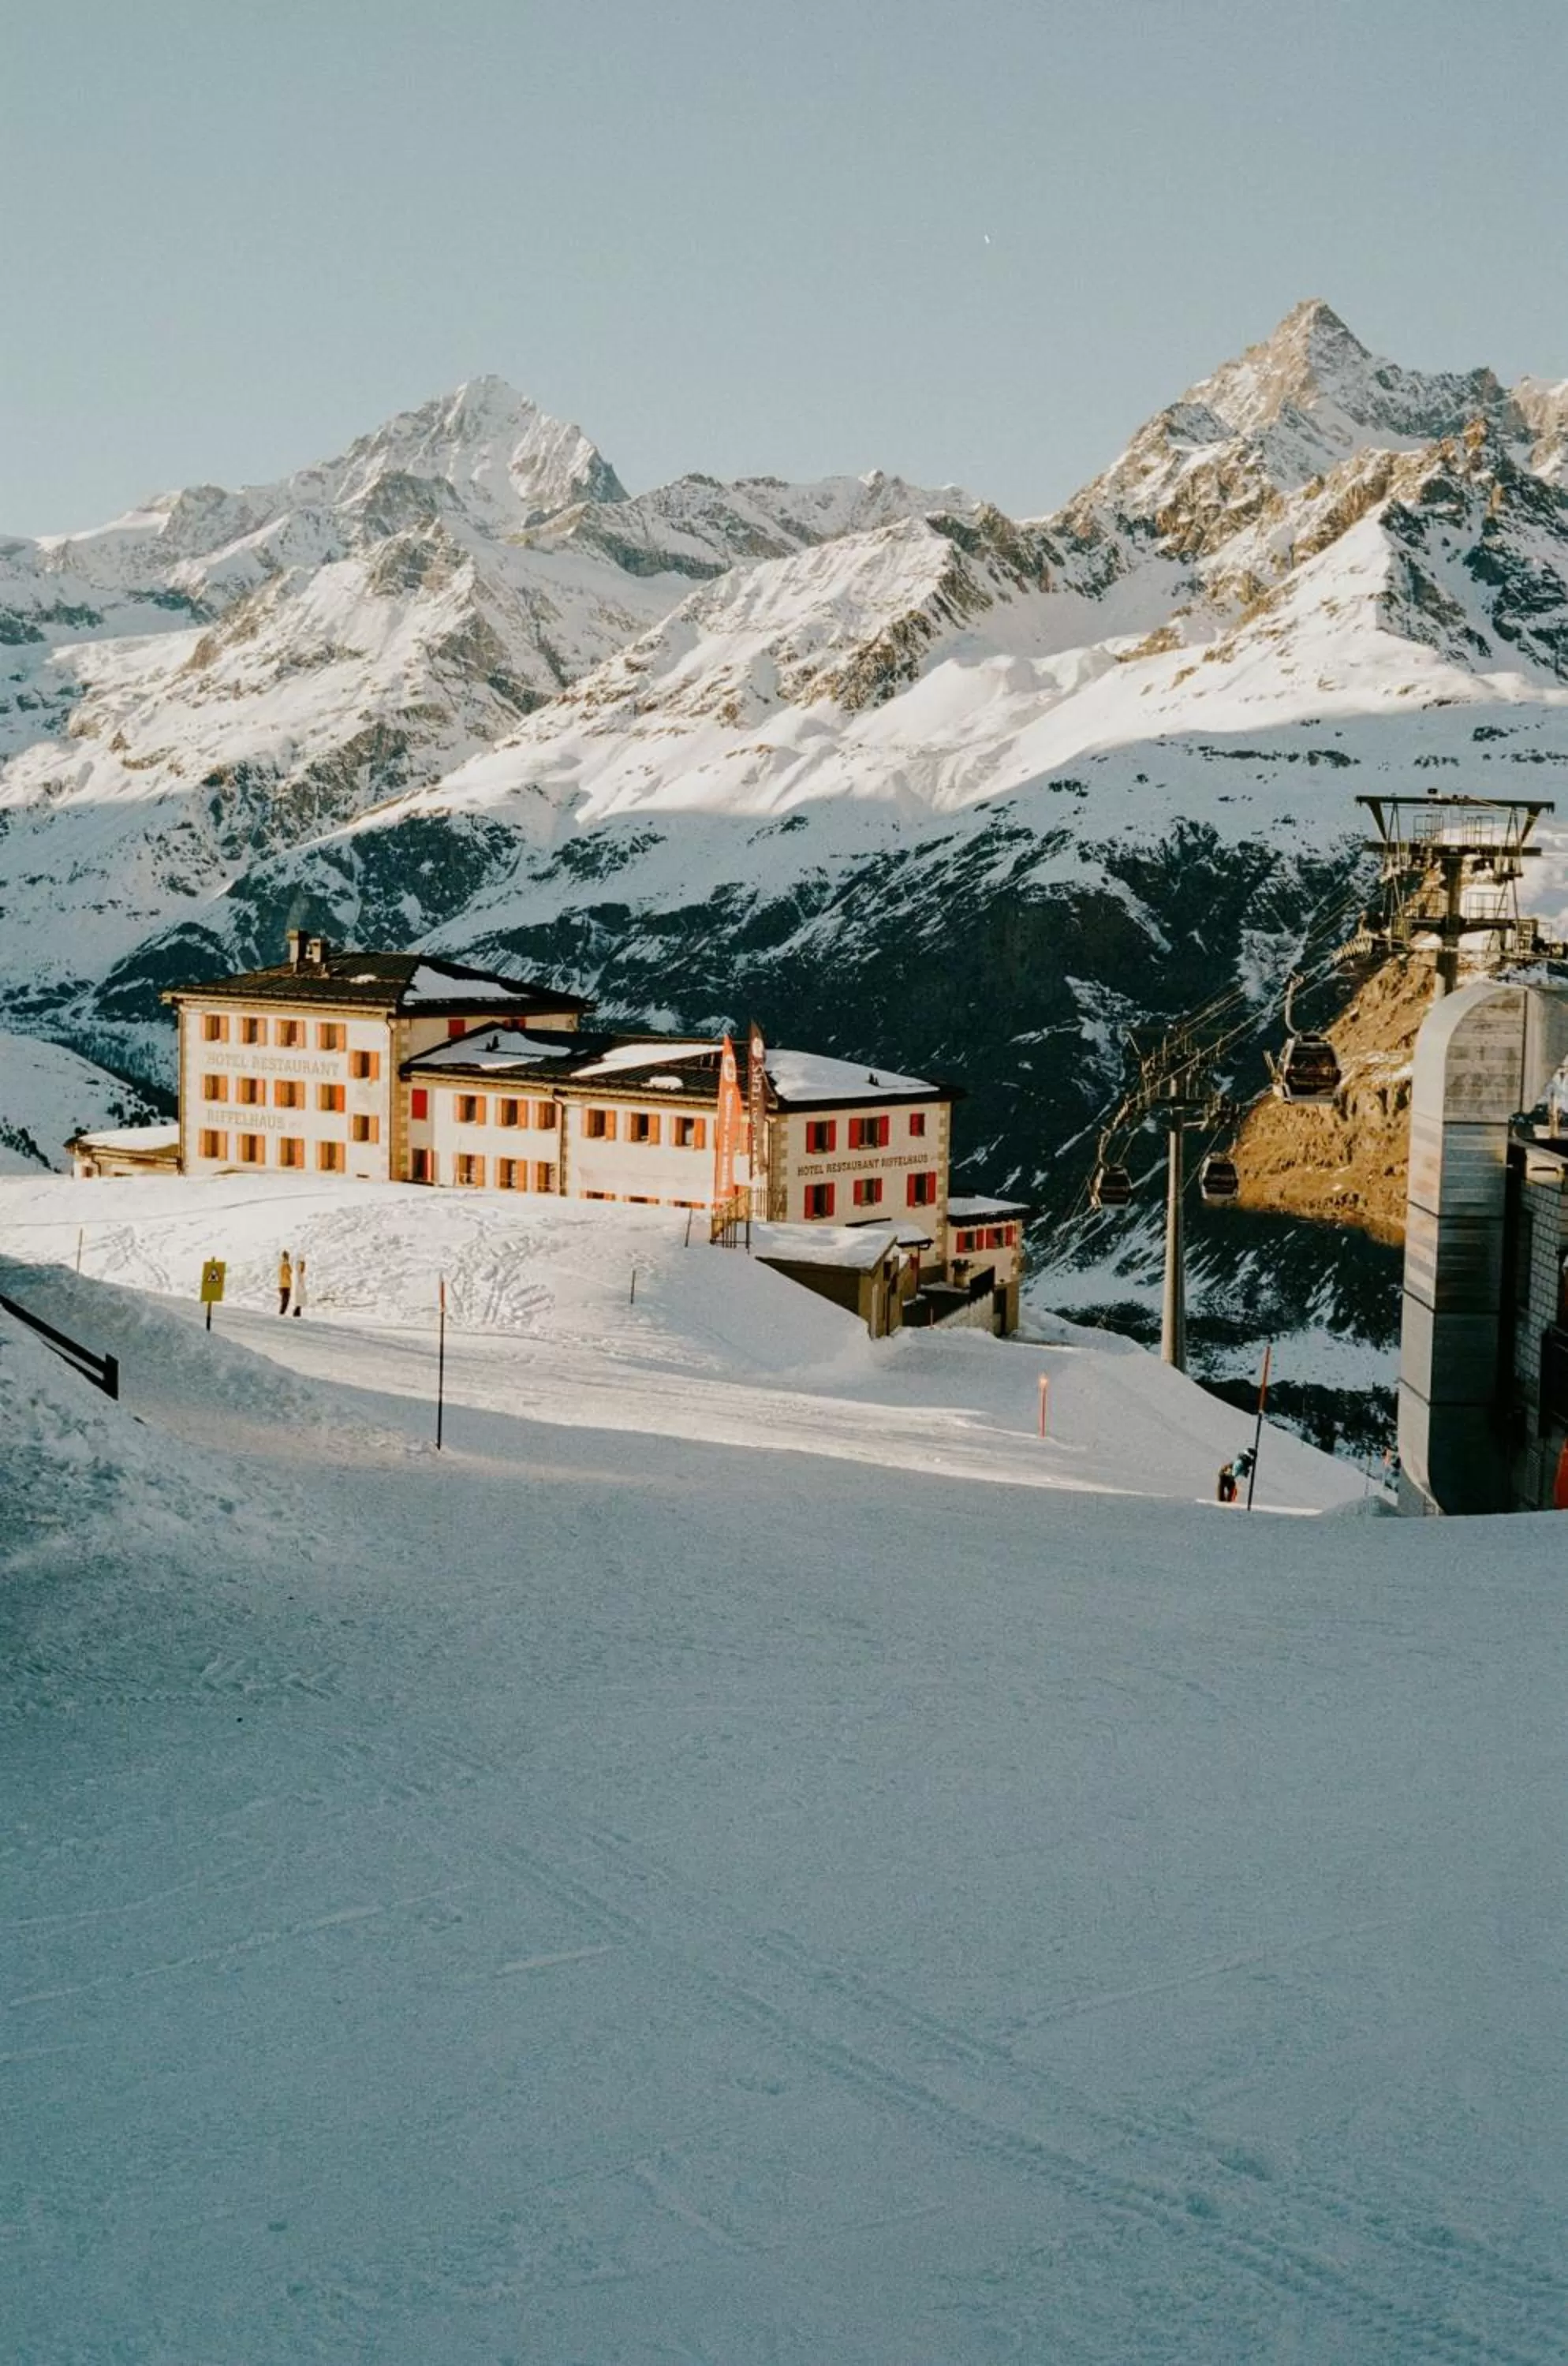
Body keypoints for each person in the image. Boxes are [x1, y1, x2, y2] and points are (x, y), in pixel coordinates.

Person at [278, 1248, 293, 1317]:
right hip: (285, 1285)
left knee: (285, 1301)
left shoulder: (282, 1265)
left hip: (284, 1285)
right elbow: (289, 1272)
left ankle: (282, 1314)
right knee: (285, 1301)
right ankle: (281, 1314)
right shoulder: (285, 1265)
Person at [291, 1253, 307, 1317]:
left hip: (299, 1286)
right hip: (299, 1287)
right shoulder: (298, 1274)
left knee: (298, 1303)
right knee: (298, 1302)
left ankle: (297, 1313)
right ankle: (296, 1314)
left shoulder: (297, 1273)